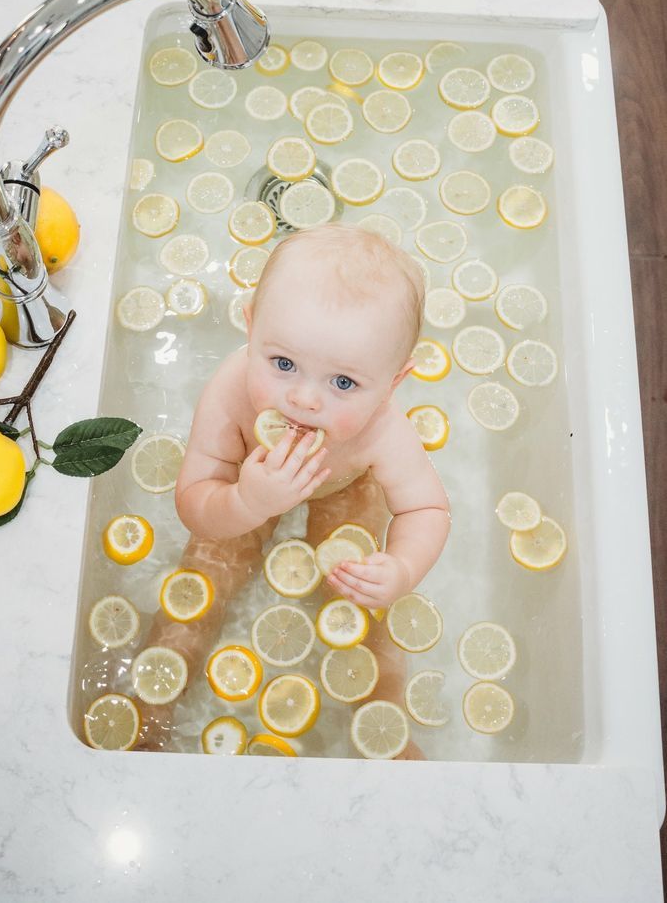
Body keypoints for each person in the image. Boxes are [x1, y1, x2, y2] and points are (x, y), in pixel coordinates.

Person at [139, 223, 451, 757]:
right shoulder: (231, 391)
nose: (304, 399)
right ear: (250, 328)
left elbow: (426, 508)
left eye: (344, 383)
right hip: (245, 480)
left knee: (359, 600)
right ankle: (151, 706)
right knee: (205, 577)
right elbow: (195, 499)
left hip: (345, 490)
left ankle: (388, 726)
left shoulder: (382, 428)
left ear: (393, 384)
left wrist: (400, 570)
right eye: (282, 364)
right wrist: (245, 503)